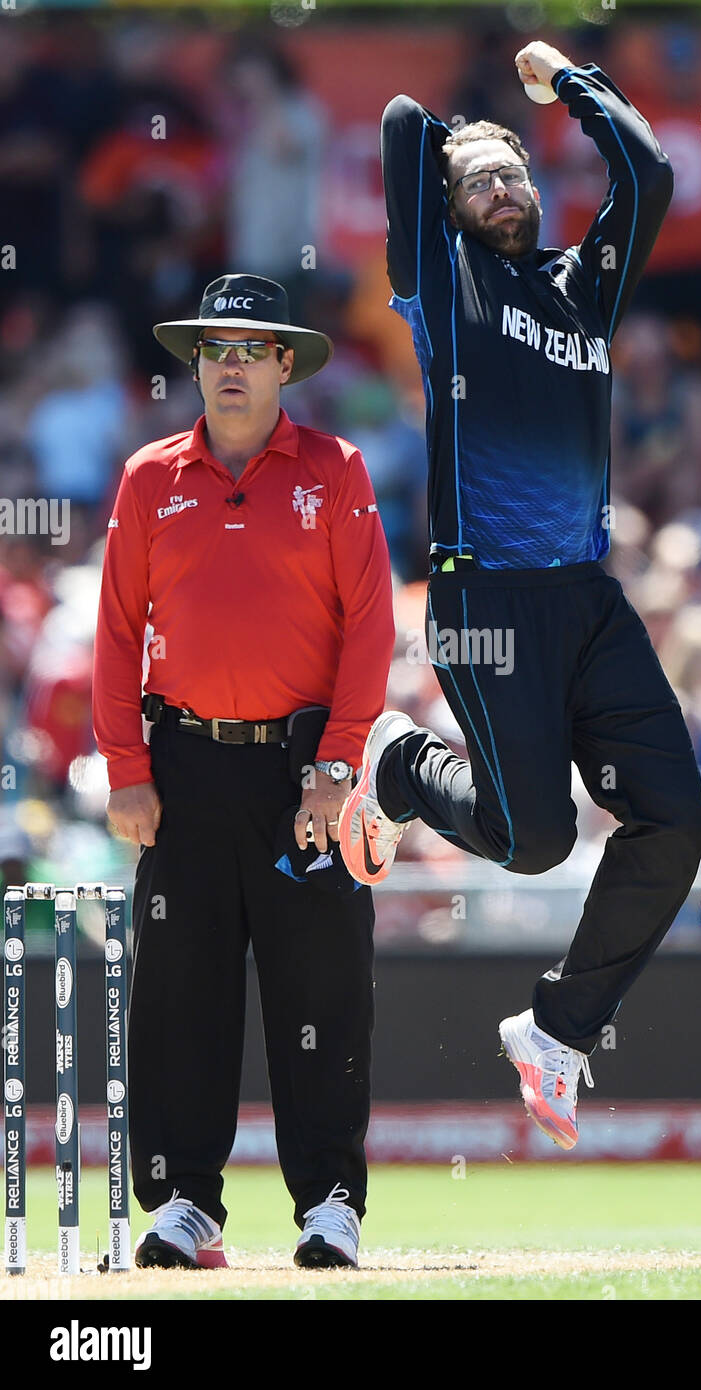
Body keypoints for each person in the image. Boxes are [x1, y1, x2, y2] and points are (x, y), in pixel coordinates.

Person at [339, 41, 701, 1149]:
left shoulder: (582, 287)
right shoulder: (438, 289)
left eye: (516, 174)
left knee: (674, 822)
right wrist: (463, 137)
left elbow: (644, 172)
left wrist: (567, 84)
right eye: (480, 180)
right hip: (483, 599)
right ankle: (399, 762)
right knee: (535, 839)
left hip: (585, 600)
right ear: (446, 207)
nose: (504, 188)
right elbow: (403, 117)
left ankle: (555, 1030)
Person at [92, 273, 394, 1268]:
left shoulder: (336, 467)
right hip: (181, 765)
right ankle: (185, 1204)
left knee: (323, 986)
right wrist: (126, 767)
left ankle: (331, 1204)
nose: (228, 365)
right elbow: (114, 634)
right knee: (182, 990)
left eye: (249, 348)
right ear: (197, 365)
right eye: (213, 348)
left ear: (282, 365)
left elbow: (371, 631)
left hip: (303, 767)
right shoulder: (147, 478)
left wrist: (335, 768)